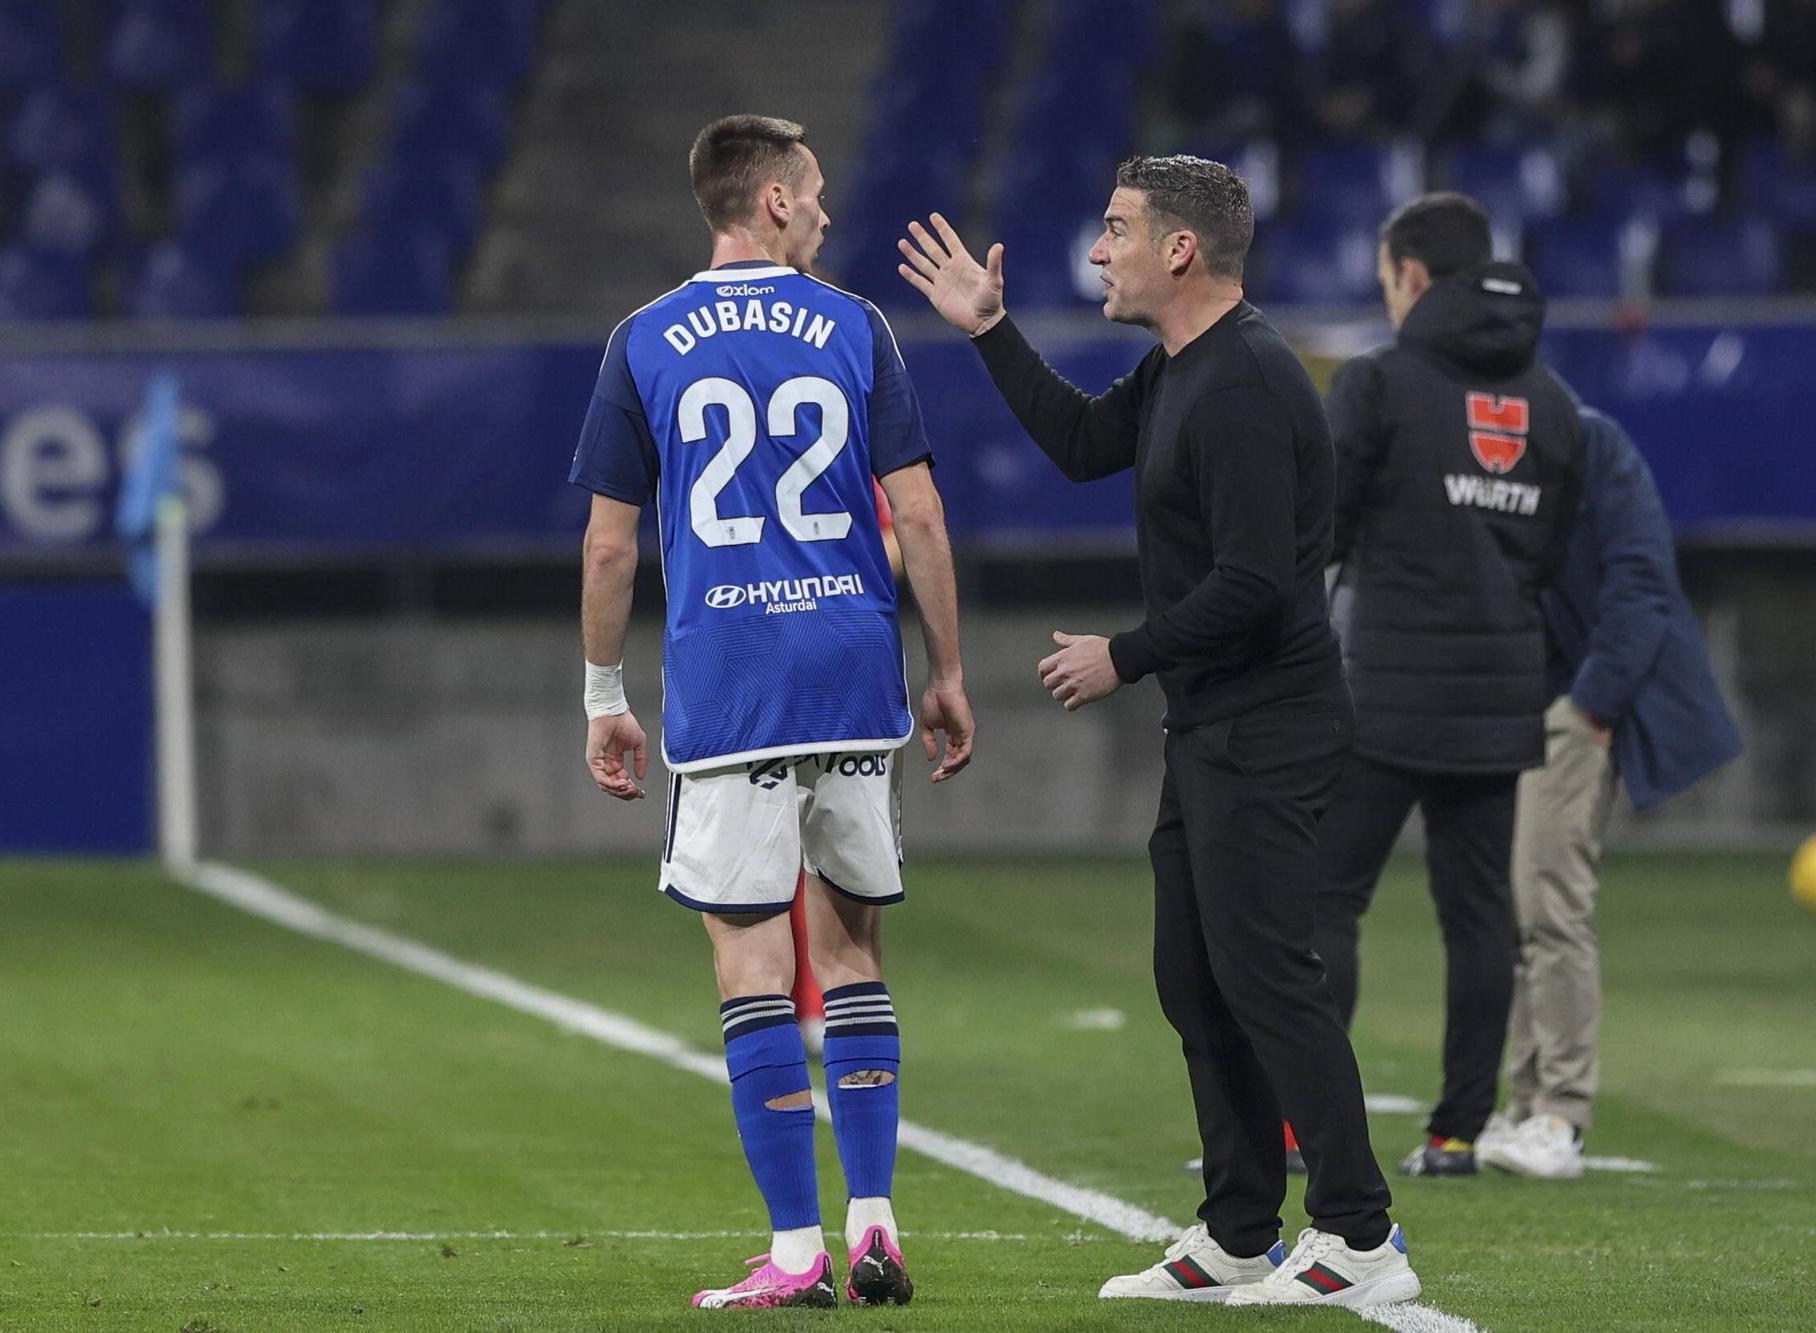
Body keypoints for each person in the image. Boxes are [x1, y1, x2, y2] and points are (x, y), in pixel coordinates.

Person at [898, 155, 1417, 1309]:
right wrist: (989, 332)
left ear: (1177, 250)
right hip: (1216, 725)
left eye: (1116, 229)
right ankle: (1237, 1229)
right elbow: (1082, 445)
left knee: (1267, 979)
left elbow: (1260, 588)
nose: (1098, 250)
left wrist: (1120, 654)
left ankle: (1358, 1237)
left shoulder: (1241, 385)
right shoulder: (1181, 366)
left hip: (1268, 726)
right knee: (1195, 975)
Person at [571, 114, 974, 1311]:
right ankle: (876, 1224)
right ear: (776, 203)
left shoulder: (642, 339)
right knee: (850, 951)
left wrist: (604, 695)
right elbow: (921, 516)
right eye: (816, 192)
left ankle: (796, 1253)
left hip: (731, 684)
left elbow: (607, 545)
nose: (830, 213)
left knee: (753, 964)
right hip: (854, 674)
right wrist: (945, 671)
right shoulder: (855, 326)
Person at [1314, 192, 1584, 1177]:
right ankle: (1455, 1132)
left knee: (1320, 901)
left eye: (1386, 280)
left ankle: (1306, 1130)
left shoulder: (1379, 383)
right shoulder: (1551, 403)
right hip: (1498, 696)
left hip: (1379, 689)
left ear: (1412, 278)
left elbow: (1324, 530)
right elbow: (1550, 555)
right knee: (1476, 917)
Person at [1478, 405, 1742, 1178]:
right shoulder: (1485, 430)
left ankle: (1559, 1111)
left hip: (1572, 700)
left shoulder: (1585, 438)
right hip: (1520, 698)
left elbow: (1641, 578)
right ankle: (1528, 1102)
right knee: (1521, 900)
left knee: (1550, 897)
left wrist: (1595, 700)